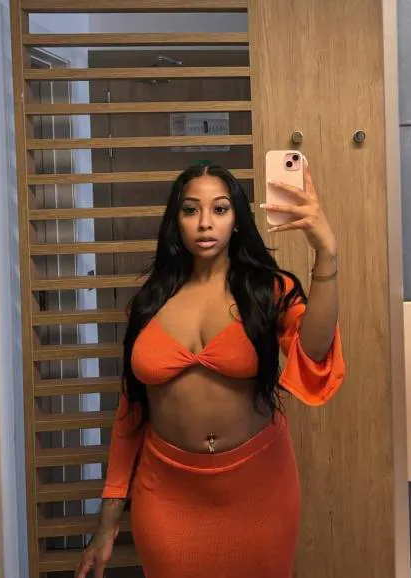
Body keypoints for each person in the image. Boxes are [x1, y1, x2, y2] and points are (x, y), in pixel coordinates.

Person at [75, 159, 344, 578]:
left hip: (260, 490)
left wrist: (326, 253)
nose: (205, 222)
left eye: (219, 209)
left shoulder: (269, 290)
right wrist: (108, 521)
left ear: (236, 220)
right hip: (167, 495)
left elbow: (315, 350)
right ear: (176, 221)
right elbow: (131, 412)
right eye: (191, 210)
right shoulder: (149, 302)